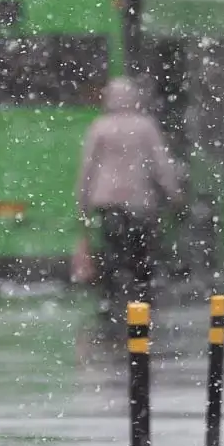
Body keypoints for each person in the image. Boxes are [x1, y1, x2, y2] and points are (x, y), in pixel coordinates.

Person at [76, 78, 182, 312]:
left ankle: (111, 298)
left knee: (113, 249)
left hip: (107, 200)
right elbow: (161, 163)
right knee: (140, 251)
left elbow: (88, 167)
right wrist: (173, 192)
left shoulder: (99, 126)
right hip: (139, 199)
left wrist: (82, 202)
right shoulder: (145, 126)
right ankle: (142, 298)